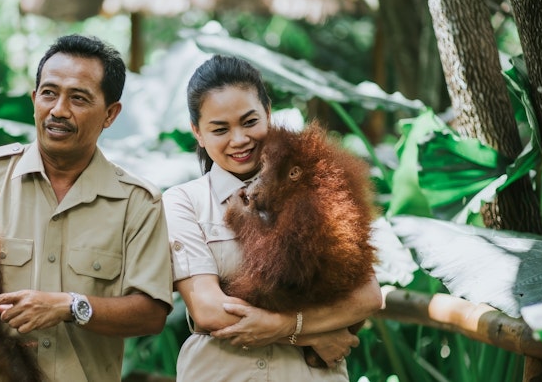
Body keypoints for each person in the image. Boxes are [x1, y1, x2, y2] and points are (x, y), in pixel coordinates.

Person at [0, 34, 174, 381]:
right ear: (34, 99)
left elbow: (151, 314)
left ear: (110, 114)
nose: (59, 110)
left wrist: (70, 306)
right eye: (49, 93)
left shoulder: (137, 204)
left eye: (78, 98)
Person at [163, 55, 383, 381]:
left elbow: (368, 297)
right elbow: (209, 310)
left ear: (268, 113)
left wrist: (285, 326)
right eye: (220, 129)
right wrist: (314, 335)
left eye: (250, 122)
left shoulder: (314, 180)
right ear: (198, 132)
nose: (239, 140)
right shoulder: (185, 202)